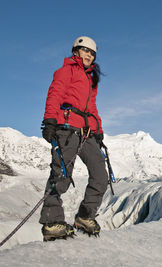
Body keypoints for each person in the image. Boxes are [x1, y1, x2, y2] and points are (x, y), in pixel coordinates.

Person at [40, 36, 108, 241]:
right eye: (85, 50)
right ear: (76, 51)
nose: (89, 54)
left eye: (92, 52)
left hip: (86, 132)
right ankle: (52, 222)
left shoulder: (91, 79)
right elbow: (55, 94)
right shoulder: (65, 71)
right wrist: (50, 121)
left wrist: (98, 129)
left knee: (100, 174)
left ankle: (85, 216)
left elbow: (92, 107)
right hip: (66, 129)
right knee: (61, 175)